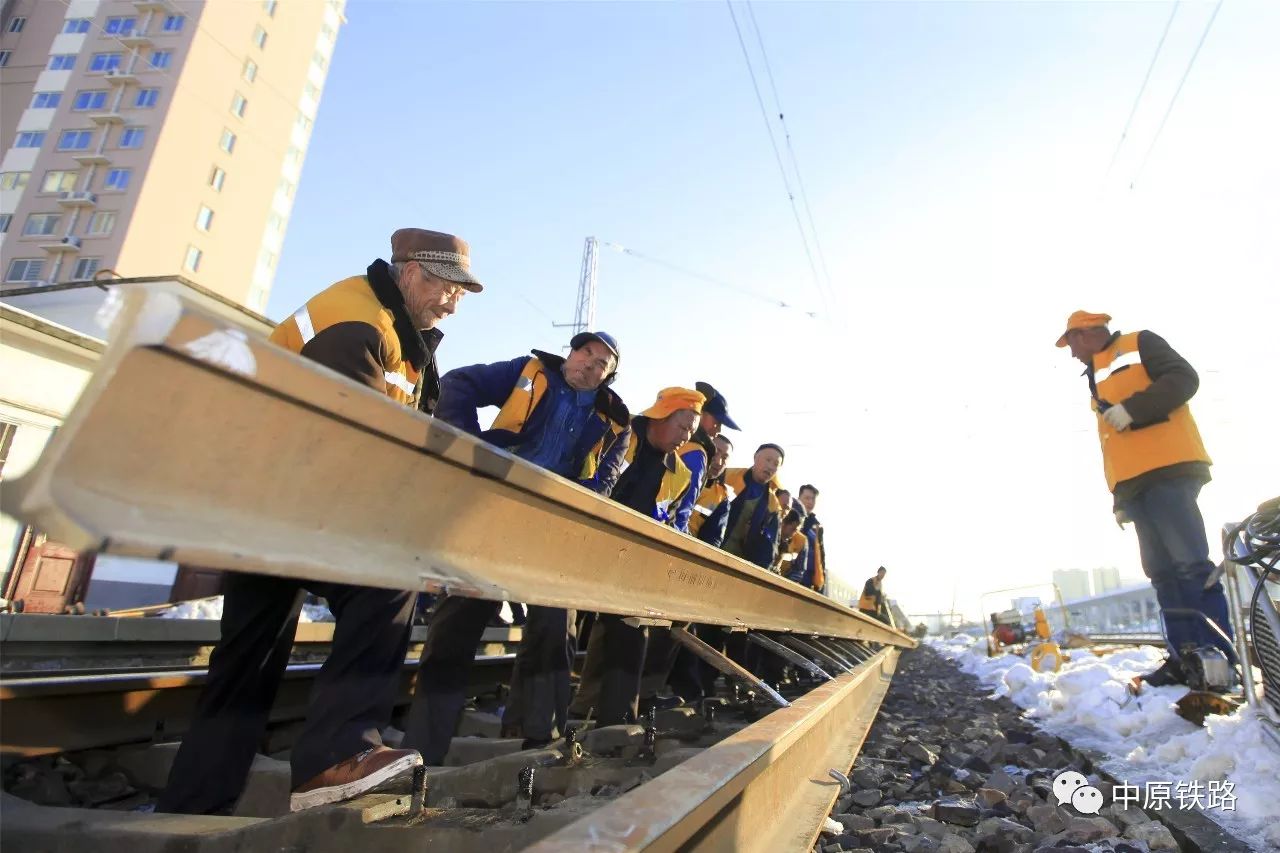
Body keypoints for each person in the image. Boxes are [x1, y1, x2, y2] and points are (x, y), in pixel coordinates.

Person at [158, 228, 482, 814]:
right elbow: (351, 448)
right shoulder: (354, 323)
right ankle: (335, 757)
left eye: (461, 291)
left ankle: (191, 807)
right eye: (444, 284)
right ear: (408, 272)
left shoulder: (398, 331)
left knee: (248, 661)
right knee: (387, 581)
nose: (453, 300)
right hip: (285, 496)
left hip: (267, 500)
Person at [402, 331, 630, 763]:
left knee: (554, 628)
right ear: (571, 352)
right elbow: (457, 382)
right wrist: (470, 446)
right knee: (457, 624)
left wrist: (578, 505)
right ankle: (422, 749)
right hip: (492, 509)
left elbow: (606, 478)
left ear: (609, 376)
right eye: (585, 352)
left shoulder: (617, 420)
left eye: (603, 362)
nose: (590, 363)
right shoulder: (528, 371)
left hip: (552, 525)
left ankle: (542, 746)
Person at [1057, 310, 1232, 688]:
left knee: (1189, 566)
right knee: (1162, 575)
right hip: (1135, 484)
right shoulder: (1096, 373)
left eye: (1070, 343)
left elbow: (1185, 379)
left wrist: (1132, 409)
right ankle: (1185, 657)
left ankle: (1218, 658)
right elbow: (1113, 442)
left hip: (1168, 470)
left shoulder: (1139, 343)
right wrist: (1119, 497)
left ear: (1085, 334)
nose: (1070, 354)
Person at [570, 387, 702, 724]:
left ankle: (612, 719)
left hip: (634, 561)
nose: (685, 437)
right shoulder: (621, 435)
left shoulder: (680, 474)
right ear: (661, 415)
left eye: (691, 432)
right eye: (682, 426)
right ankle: (584, 708)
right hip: (582, 543)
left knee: (628, 629)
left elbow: (672, 522)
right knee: (573, 628)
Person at [672, 382, 740, 533]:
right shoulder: (697, 454)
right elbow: (681, 513)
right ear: (700, 412)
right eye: (716, 422)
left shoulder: (670, 435)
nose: (719, 429)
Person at [688, 434, 733, 545]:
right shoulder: (680, 471)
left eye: (725, 457)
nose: (719, 462)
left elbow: (713, 540)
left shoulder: (721, 498)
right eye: (716, 452)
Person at [796, 484, 827, 596]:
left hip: (809, 579)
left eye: (813, 499)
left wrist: (821, 580)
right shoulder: (791, 515)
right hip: (792, 574)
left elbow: (821, 556)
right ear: (799, 498)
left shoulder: (817, 526)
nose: (810, 502)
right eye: (807, 498)